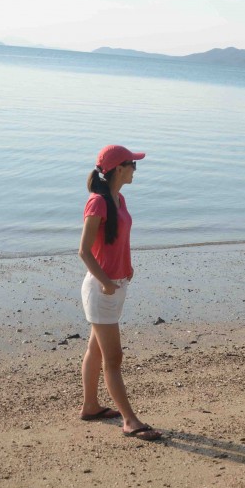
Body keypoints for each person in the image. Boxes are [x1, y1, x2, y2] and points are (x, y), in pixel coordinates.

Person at [78, 144, 162, 440]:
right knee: (113, 358)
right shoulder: (98, 203)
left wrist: (127, 267)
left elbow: (116, 242)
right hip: (102, 291)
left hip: (115, 286)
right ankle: (129, 420)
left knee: (96, 349)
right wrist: (105, 282)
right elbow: (84, 251)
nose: (135, 170)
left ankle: (90, 406)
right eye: (132, 165)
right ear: (118, 169)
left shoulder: (119, 199)